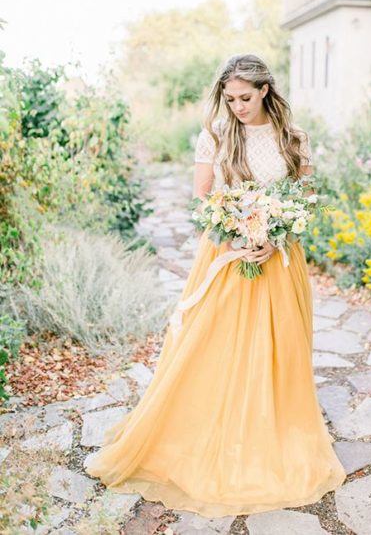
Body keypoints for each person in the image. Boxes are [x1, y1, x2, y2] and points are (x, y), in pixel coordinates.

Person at [84, 53, 347, 518]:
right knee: (216, 348)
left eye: (245, 97)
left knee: (279, 351)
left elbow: (306, 200)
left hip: (279, 262)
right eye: (230, 98)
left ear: (265, 90)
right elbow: (202, 199)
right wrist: (238, 233)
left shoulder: (294, 139)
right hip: (226, 256)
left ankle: (271, 431)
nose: (237, 106)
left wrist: (277, 234)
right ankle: (213, 430)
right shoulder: (217, 135)